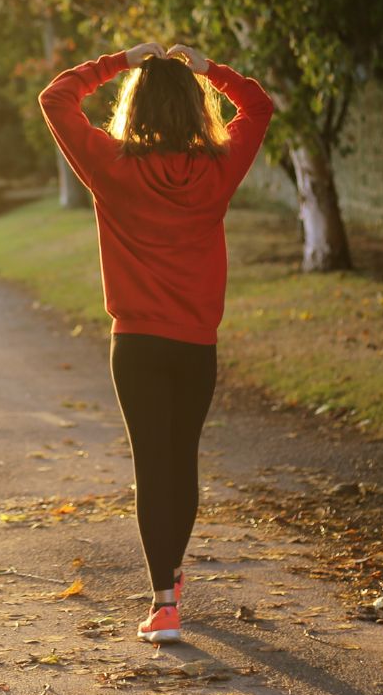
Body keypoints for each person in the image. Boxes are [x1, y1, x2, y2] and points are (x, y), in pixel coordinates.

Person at [38, 40, 274, 645]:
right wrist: (210, 70)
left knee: (152, 465)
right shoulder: (219, 169)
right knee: (182, 460)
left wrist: (119, 61)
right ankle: (169, 577)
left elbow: (56, 98)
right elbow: (259, 106)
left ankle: (164, 601)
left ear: (135, 108)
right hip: (195, 344)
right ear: (196, 110)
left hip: (137, 344)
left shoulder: (111, 166)